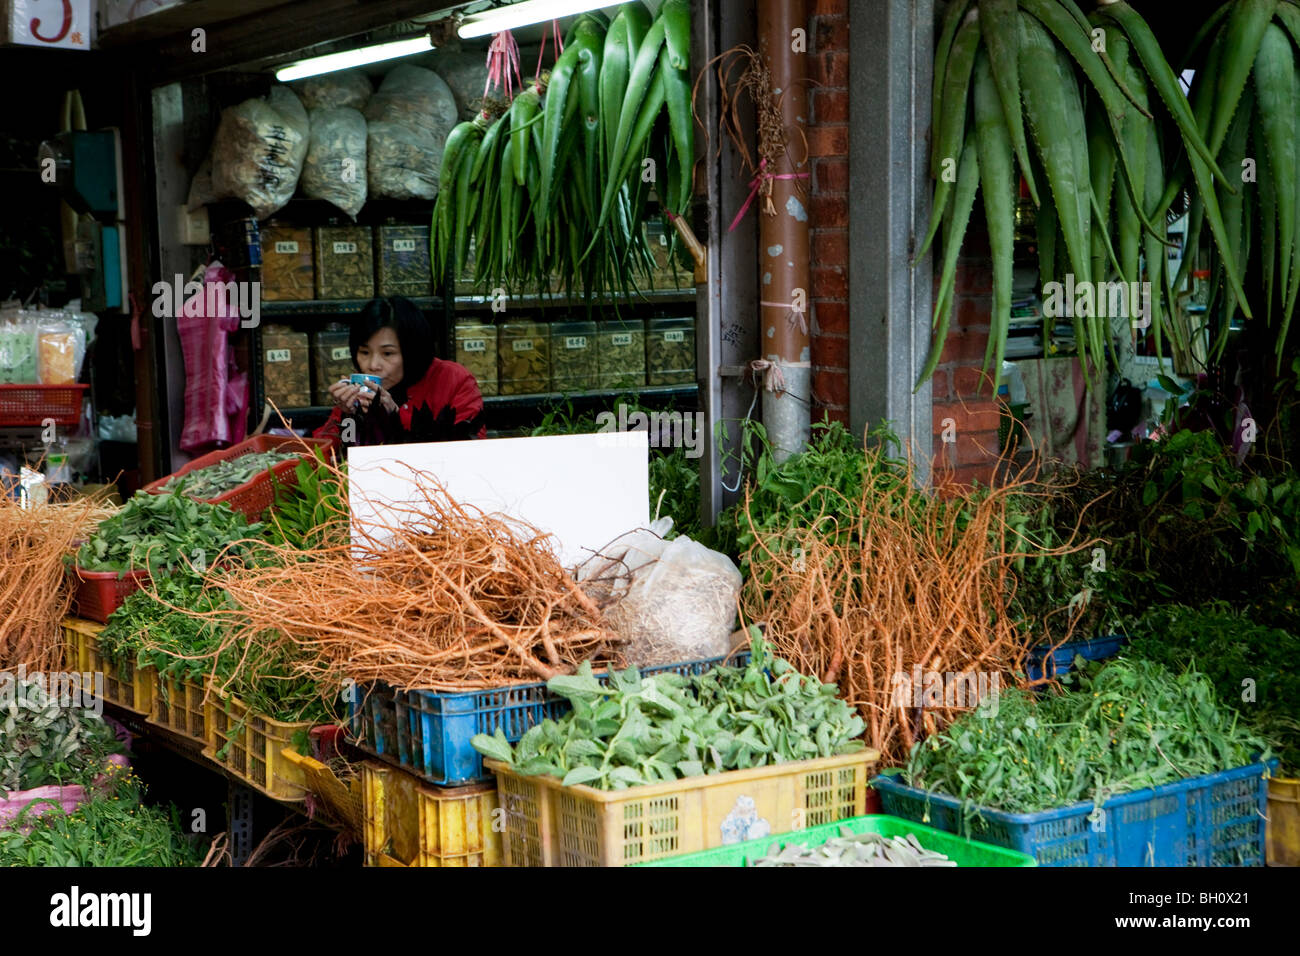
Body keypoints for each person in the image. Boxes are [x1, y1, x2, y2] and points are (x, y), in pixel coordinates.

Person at [314, 296, 486, 450]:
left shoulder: (453, 379)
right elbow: (325, 454)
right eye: (365, 353)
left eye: (387, 353)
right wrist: (348, 416)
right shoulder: (359, 389)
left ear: (412, 352)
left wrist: (395, 417)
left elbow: (470, 450)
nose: (373, 365)